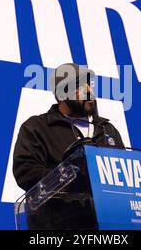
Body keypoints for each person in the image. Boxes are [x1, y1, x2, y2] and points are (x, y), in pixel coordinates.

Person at [13, 63, 125, 229]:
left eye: (90, 84)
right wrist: (71, 176)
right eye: (79, 86)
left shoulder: (107, 130)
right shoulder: (37, 128)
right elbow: (26, 172)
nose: (89, 90)